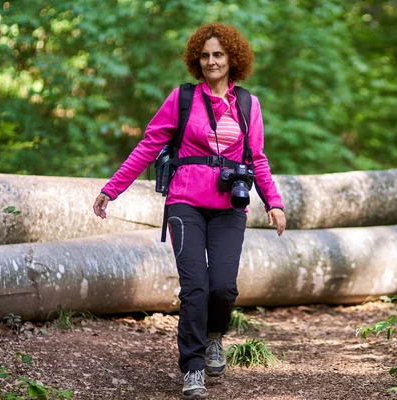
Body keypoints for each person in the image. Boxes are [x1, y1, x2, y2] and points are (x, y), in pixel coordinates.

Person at [92, 22, 286, 399]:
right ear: (197, 60)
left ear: (233, 59)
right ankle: (193, 367)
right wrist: (111, 189)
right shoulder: (182, 99)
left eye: (219, 55)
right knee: (195, 288)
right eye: (205, 55)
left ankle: (215, 336)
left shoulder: (247, 103)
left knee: (223, 288)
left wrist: (274, 203)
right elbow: (148, 147)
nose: (211, 61)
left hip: (231, 206)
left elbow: (258, 159)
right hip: (185, 203)